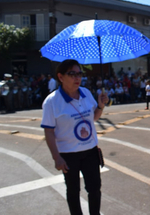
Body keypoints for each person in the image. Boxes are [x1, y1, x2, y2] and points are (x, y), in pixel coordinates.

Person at [41, 59, 108, 215]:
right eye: (72, 74)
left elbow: (94, 118)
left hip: (90, 151)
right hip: (68, 154)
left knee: (94, 188)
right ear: (61, 76)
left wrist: (100, 106)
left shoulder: (85, 93)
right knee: (73, 191)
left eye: (79, 74)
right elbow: (49, 131)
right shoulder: (52, 102)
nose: (77, 78)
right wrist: (56, 157)